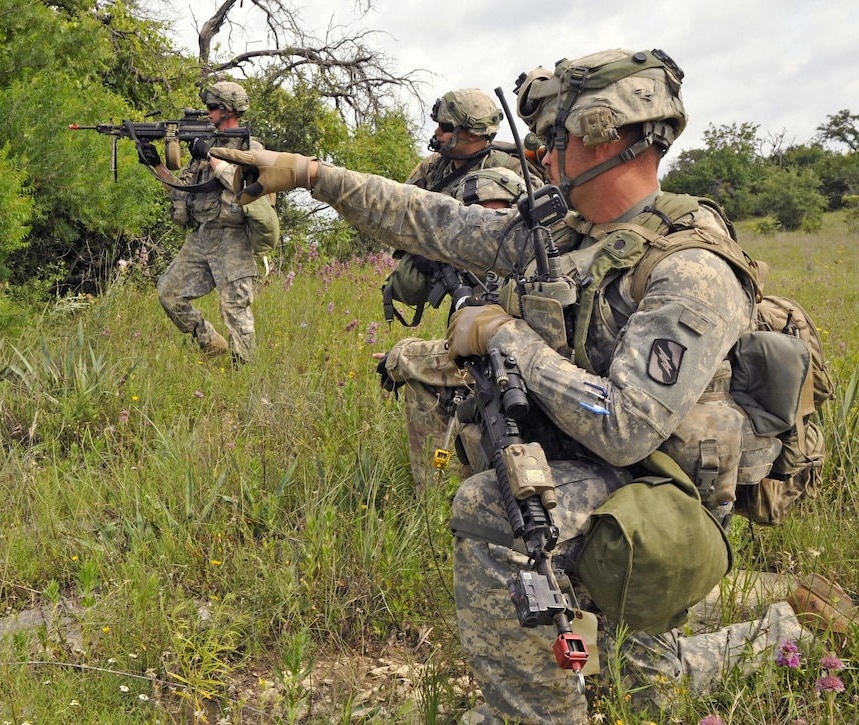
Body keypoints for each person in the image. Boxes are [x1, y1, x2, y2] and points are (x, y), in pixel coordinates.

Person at [210, 49, 848, 724]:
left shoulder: (692, 271)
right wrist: (310, 175)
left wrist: (501, 334)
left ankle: (538, 713)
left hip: (668, 501)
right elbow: (433, 221)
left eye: (555, 139)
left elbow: (626, 424)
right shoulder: (570, 229)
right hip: (604, 474)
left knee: (490, 506)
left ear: (608, 135)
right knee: (649, 689)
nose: (541, 156)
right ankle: (785, 629)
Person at [379, 88, 540, 493]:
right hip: (458, 283)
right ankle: (446, 485)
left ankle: (466, 484)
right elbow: (401, 219)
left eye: (448, 128)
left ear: (474, 134)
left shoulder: (514, 168)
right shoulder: (432, 171)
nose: (438, 133)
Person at [137, 80, 278, 364]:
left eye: (212, 107)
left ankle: (245, 369)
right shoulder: (204, 147)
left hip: (234, 238)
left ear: (228, 110)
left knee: (235, 309)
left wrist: (211, 157)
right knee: (169, 293)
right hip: (202, 236)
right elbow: (184, 190)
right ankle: (211, 343)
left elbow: (246, 188)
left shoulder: (252, 148)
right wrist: (157, 166)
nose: (208, 112)